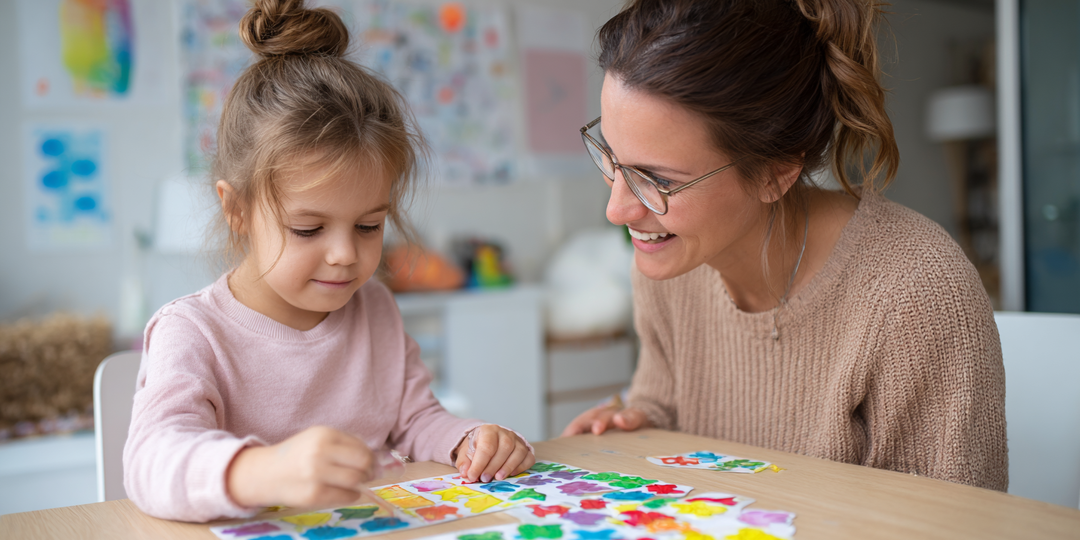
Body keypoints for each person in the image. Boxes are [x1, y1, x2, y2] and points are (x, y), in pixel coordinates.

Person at [563, 0, 1007, 491]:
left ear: (777, 173)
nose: (618, 210)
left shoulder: (915, 293)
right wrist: (635, 425)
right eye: (611, 156)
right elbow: (663, 404)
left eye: (656, 179)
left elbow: (952, 521)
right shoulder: (669, 257)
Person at [123, 0, 534, 522]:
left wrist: (468, 440)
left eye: (368, 226)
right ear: (237, 209)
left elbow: (414, 419)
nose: (345, 255)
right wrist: (261, 470)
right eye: (308, 229)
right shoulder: (192, 332)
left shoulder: (375, 307)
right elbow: (151, 462)